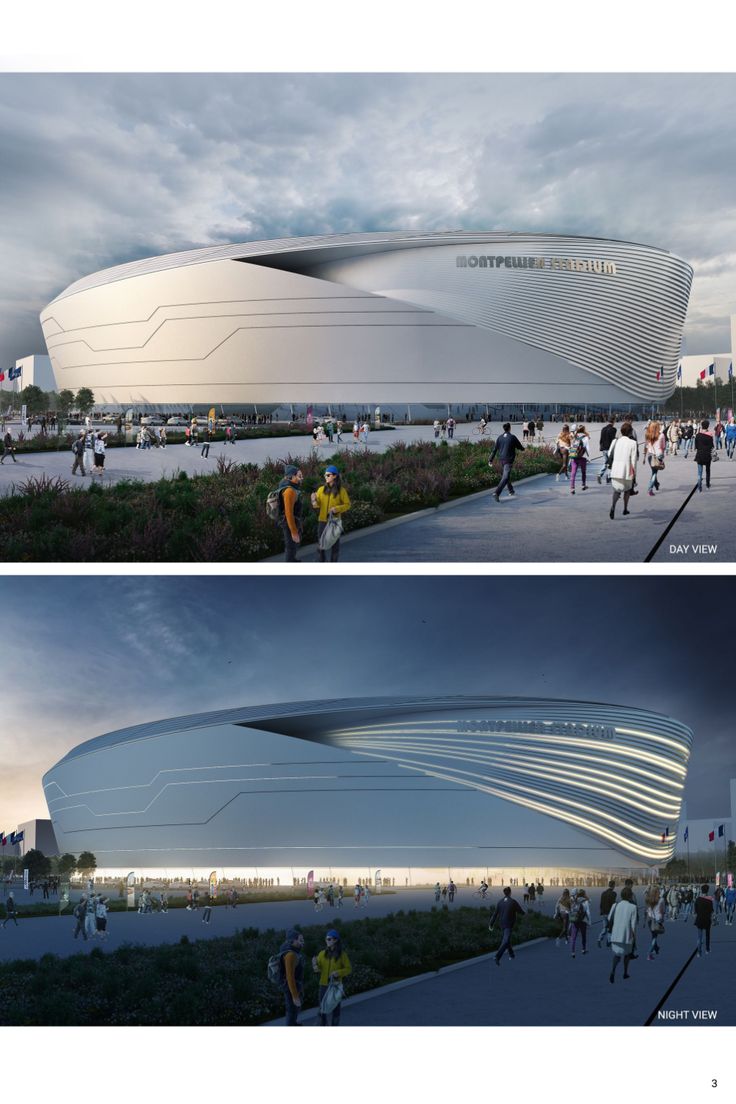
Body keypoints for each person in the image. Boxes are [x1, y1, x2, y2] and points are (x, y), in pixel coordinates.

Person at [310, 465, 351, 563]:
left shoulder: (341, 491)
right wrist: (313, 501)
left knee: (335, 547)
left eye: (328, 475)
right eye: (325, 475)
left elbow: (347, 505)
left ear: (335, 476)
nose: (326, 477)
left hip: (334, 522)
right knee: (321, 546)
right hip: (322, 521)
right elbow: (316, 506)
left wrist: (336, 509)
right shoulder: (321, 490)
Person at [312, 929, 352, 1026]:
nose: (327, 941)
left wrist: (338, 973)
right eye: (326, 939)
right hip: (323, 985)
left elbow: (348, 969)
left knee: (336, 1009)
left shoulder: (342, 955)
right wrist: (314, 965)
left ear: (336, 940)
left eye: (329, 939)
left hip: (335, 986)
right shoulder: (322, 954)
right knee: (322, 1009)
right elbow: (317, 970)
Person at [607, 422, 638, 519]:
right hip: (626, 471)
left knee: (616, 491)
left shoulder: (616, 441)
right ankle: (625, 509)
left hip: (615, 470)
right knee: (627, 490)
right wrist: (634, 474)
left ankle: (613, 507)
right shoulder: (633, 443)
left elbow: (609, 454)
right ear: (630, 432)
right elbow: (634, 460)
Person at [608, 885, 637, 983]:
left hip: (615, 935)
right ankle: (625, 972)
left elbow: (609, 918)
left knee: (616, 955)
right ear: (630, 896)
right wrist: (634, 937)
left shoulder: (615, 905)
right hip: (626, 935)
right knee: (627, 955)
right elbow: (633, 924)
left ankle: (613, 971)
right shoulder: (633, 907)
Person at [489, 422, 525, 501]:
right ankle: (496, 493)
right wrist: (523, 449)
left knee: (506, 475)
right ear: (509, 428)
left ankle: (511, 490)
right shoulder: (512, 437)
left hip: (501, 460)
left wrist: (490, 460)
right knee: (505, 477)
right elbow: (519, 446)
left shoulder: (499, 437)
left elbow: (494, 450)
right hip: (508, 460)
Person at [276, 464, 304, 563]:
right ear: (291, 477)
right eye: (299, 476)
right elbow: (289, 513)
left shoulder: (289, 486)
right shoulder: (289, 491)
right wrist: (294, 531)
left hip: (291, 520)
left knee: (293, 544)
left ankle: (292, 559)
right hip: (288, 521)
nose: (302, 478)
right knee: (290, 546)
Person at [491, 886, 525, 965]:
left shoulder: (500, 902)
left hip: (501, 924)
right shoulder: (513, 902)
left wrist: (491, 924)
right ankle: (497, 957)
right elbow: (520, 911)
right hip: (508, 924)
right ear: (510, 893)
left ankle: (512, 954)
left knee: (507, 940)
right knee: (505, 941)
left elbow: (495, 914)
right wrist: (524, 914)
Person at [279, 928, 306, 1026]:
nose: (302, 942)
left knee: (294, 1010)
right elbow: (290, 977)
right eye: (300, 940)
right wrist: (295, 996)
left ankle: (293, 1023)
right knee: (292, 1010)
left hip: (295, 985)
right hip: (291, 987)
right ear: (293, 940)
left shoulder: (293, 952)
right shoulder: (290, 955)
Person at [644, 421, 666, 496]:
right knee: (654, 473)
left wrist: (644, 457)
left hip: (650, 456)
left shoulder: (648, 435)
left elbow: (646, 446)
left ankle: (656, 484)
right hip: (658, 456)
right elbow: (663, 447)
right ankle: (650, 489)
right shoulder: (662, 435)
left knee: (654, 471)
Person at [568, 889, 591, 957]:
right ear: (584, 894)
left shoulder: (574, 900)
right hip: (583, 921)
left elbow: (571, 910)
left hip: (575, 920)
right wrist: (589, 921)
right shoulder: (585, 901)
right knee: (583, 936)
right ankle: (583, 949)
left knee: (573, 937)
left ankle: (573, 952)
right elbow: (588, 912)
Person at [568, 424, 590, 493]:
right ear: (584, 430)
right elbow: (587, 448)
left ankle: (572, 488)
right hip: (582, 457)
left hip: (574, 457)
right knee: (583, 472)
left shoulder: (575, 436)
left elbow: (572, 446)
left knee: (573, 473)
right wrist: (589, 457)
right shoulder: (585, 437)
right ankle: (583, 485)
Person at [645, 886, 665, 960]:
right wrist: (662, 919)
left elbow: (647, 910)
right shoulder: (661, 900)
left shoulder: (649, 899)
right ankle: (649, 954)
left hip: (650, 919)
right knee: (654, 937)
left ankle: (656, 948)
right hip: (657, 919)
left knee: (653, 935)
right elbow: (663, 911)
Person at [694, 419, 715, 491]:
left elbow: (696, 446)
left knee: (700, 472)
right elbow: (712, 446)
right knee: (708, 470)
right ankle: (707, 485)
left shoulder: (698, 435)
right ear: (708, 426)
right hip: (707, 455)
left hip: (699, 455)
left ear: (702, 426)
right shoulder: (710, 436)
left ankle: (699, 486)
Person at [694, 883, 714, 956]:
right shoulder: (709, 900)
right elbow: (711, 910)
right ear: (707, 891)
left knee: (699, 936)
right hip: (707, 919)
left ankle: (699, 952)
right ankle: (707, 949)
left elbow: (695, 910)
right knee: (707, 935)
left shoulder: (698, 899)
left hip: (699, 919)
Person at [597, 881, 617, 948]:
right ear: (613, 885)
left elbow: (601, 903)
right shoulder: (614, 894)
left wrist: (601, 912)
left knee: (605, 927)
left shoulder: (603, 893)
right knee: (610, 927)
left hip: (604, 912)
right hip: (610, 913)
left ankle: (599, 938)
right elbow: (613, 904)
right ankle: (609, 941)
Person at [597, 417, 617, 483]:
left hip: (604, 448)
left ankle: (603, 475)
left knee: (607, 462)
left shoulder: (603, 429)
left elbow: (601, 439)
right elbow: (613, 440)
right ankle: (607, 476)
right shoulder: (613, 429)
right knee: (610, 463)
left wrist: (601, 447)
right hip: (610, 449)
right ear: (613, 421)